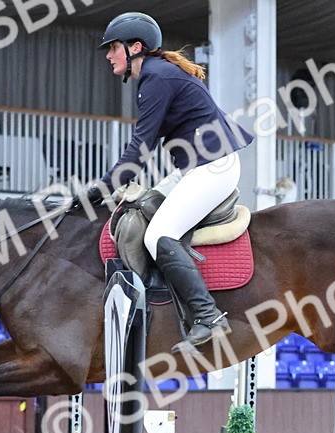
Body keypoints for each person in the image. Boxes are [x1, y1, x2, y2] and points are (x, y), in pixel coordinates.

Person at [85, 11, 254, 352]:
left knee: (159, 234)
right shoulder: (157, 74)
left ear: (135, 47)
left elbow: (139, 149)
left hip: (212, 167)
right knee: (138, 209)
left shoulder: (156, 77)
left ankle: (208, 317)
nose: (108, 55)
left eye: (113, 48)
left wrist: (99, 189)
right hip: (193, 168)